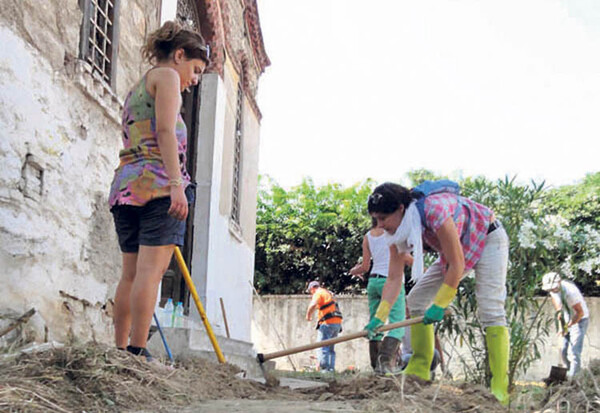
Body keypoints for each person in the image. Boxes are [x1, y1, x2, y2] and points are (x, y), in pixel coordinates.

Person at [108, 21, 210, 361]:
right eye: (195, 69)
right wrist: (176, 185)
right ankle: (139, 351)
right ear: (178, 55)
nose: (194, 80)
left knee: (131, 274)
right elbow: (166, 132)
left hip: (126, 188)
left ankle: (122, 350)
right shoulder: (166, 77)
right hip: (158, 189)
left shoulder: (137, 88)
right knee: (150, 273)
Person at [364, 181, 510, 405]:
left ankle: (499, 388)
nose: (380, 225)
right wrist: (379, 316)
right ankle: (421, 368)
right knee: (417, 299)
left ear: (401, 209)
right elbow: (394, 278)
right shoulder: (394, 234)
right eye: (376, 219)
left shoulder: (434, 211)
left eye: (384, 218)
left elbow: (457, 263)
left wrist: (441, 303)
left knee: (490, 308)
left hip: (488, 236)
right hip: (458, 248)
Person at [349, 218, 413, 374]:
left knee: (375, 324)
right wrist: (424, 269)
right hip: (392, 281)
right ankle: (384, 364)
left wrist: (353, 271)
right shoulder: (393, 233)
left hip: (374, 282)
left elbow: (365, 266)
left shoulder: (368, 236)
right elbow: (404, 258)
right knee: (397, 324)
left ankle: (375, 365)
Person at [541, 272, 590, 377]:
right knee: (563, 349)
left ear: (559, 282)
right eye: (550, 289)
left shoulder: (571, 292)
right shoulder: (553, 289)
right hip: (567, 317)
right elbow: (558, 306)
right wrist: (560, 324)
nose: (552, 290)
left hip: (580, 319)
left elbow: (579, 313)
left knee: (574, 352)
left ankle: (574, 380)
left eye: (554, 288)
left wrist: (568, 326)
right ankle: (566, 375)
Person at [305, 281, 343, 372]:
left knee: (322, 347)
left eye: (310, 291)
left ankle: (324, 370)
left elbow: (313, 304)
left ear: (312, 288)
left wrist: (308, 315)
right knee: (330, 348)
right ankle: (331, 370)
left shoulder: (318, 293)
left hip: (327, 323)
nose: (311, 293)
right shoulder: (328, 293)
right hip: (337, 324)